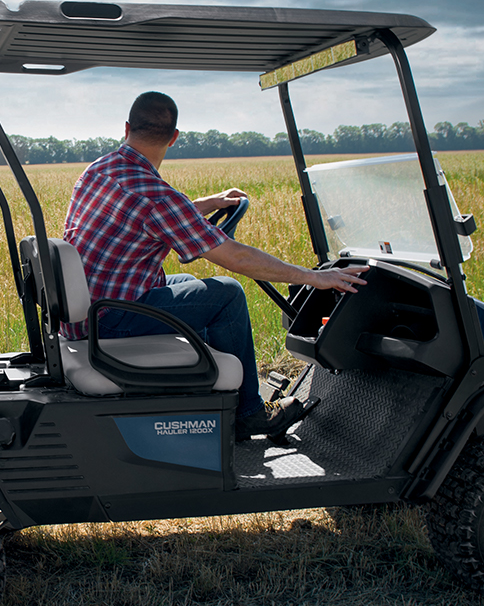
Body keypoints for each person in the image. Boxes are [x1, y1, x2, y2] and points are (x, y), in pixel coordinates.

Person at [62, 91, 369, 439]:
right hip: (109, 320)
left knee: (188, 281)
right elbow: (235, 257)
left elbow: (152, 215)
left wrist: (211, 203)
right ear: (174, 137)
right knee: (227, 294)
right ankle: (250, 413)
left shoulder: (101, 169)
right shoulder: (157, 195)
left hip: (91, 308)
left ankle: (211, 399)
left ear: (127, 127)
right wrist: (314, 277)